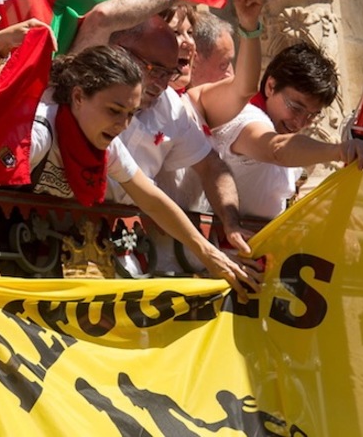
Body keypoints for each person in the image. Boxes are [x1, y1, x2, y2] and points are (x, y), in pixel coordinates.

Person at [0, 45, 262, 301]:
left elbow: (151, 200)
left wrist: (207, 253)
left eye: (130, 114)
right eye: (113, 111)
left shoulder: (108, 145)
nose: (122, 124)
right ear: (79, 97)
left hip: (33, 245)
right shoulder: (39, 131)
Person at [103, 15, 253, 275]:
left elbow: (211, 166)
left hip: (138, 248)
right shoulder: (91, 93)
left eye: (169, 72)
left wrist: (231, 222)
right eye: (154, 70)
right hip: (64, 240)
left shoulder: (170, 105)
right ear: (120, 52)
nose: (161, 83)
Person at [209, 42, 363, 221]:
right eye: (296, 107)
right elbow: (276, 149)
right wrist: (338, 151)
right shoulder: (245, 117)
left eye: (312, 115)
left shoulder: (288, 142)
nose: (300, 122)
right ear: (271, 87)